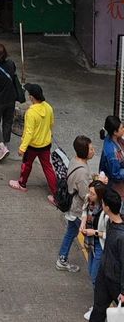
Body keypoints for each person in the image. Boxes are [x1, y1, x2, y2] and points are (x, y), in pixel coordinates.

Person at [9, 82, 57, 195]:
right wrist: (50, 135)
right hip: (45, 144)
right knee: (48, 168)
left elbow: (29, 132)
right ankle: (56, 193)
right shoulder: (48, 107)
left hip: (33, 146)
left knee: (26, 165)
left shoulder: (31, 113)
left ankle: (22, 184)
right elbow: (51, 123)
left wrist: (22, 148)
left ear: (31, 97)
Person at [56, 134, 95, 272]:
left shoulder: (75, 160)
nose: (93, 150)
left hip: (73, 207)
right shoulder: (83, 172)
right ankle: (94, 266)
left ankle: (62, 258)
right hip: (79, 210)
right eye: (90, 149)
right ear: (84, 151)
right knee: (91, 236)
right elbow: (86, 195)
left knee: (71, 232)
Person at [86, 185, 124, 321]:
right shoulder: (110, 222)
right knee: (98, 311)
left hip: (116, 282)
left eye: (103, 203)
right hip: (105, 275)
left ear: (107, 207)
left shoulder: (121, 236)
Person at [82, 180, 107, 286]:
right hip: (90, 242)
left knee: (94, 276)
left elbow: (109, 233)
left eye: (93, 194)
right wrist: (83, 222)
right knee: (91, 272)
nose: (89, 195)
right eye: (90, 192)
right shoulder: (89, 200)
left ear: (100, 196)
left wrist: (94, 232)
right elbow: (84, 210)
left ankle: (99, 301)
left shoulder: (105, 211)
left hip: (100, 244)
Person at [99, 115, 124, 196]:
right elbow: (116, 175)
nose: (123, 129)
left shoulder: (111, 137)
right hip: (115, 186)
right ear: (115, 132)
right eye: (121, 128)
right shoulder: (112, 154)